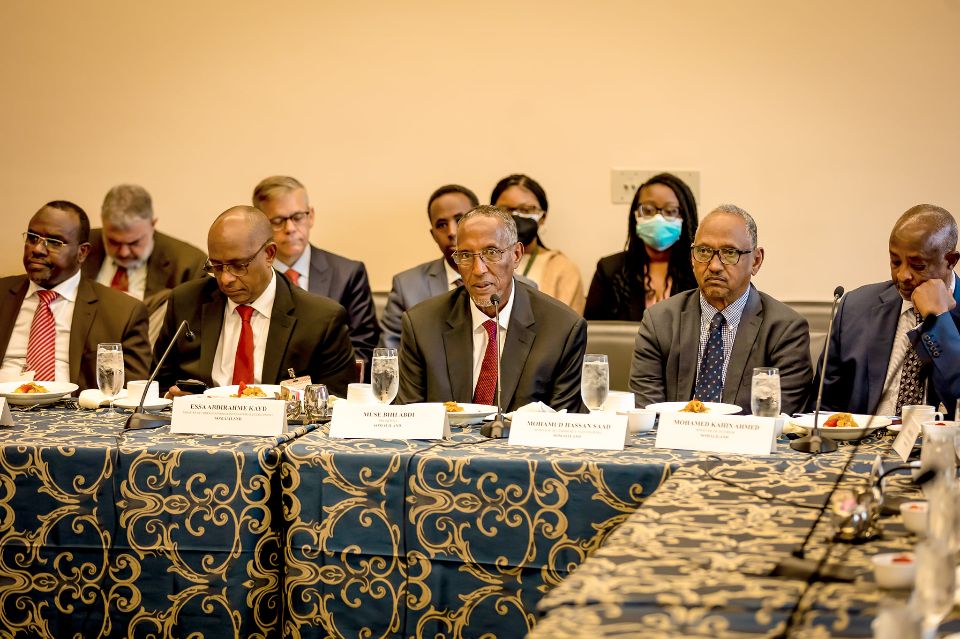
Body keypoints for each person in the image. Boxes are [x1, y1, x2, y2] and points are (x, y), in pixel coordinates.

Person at [397, 205, 587, 412]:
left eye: (491, 252)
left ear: (516, 255)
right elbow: (409, 417)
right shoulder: (421, 325)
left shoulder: (562, 329)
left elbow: (560, 423)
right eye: (466, 255)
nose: (478, 269)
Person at [155, 206, 356, 398]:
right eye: (216, 266)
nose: (225, 279)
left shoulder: (321, 320)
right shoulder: (186, 302)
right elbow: (156, 386)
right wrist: (170, 397)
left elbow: (336, 404)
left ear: (269, 254)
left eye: (238, 266)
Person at [629, 204, 811, 414]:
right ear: (692, 257)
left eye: (730, 253)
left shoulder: (786, 330)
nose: (714, 266)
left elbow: (778, 417)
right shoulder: (659, 321)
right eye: (704, 251)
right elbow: (647, 411)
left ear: (756, 261)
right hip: (672, 435)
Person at [817, 205, 960, 416]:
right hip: (864, 436)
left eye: (918, 266)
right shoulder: (855, 307)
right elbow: (824, 407)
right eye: (895, 262)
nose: (902, 275)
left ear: (951, 261)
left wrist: (939, 321)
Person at [0, 201, 151, 387]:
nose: (37, 249)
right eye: (32, 238)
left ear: (82, 252)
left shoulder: (123, 313)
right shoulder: (3, 294)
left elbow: (133, 390)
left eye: (54, 242)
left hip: (74, 404)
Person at [379, 185, 539, 349]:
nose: (452, 231)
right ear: (433, 234)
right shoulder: (407, 286)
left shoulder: (523, 289)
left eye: (459, 220)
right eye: (442, 225)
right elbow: (389, 354)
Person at [252, 176, 379, 368]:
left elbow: (363, 349)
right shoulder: (249, 277)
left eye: (297, 217)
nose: (290, 228)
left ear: (310, 216)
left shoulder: (348, 274)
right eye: (277, 221)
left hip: (330, 383)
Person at [82, 184, 208, 343]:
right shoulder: (79, 249)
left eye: (134, 243)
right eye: (113, 242)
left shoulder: (188, 264)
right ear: (102, 222)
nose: (123, 252)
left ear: (153, 224)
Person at [585, 173, 699, 321]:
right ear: (635, 215)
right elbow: (592, 330)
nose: (658, 219)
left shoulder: (699, 271)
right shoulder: (609, 270)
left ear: (686, 217)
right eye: (648, 210)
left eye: (670, 211)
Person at [491, 174, 585, 314]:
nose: (515, 216)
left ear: (542, 217)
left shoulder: (563, 269)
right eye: (506, 210)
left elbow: (567, 323)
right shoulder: (479, 260)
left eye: (526, 210)